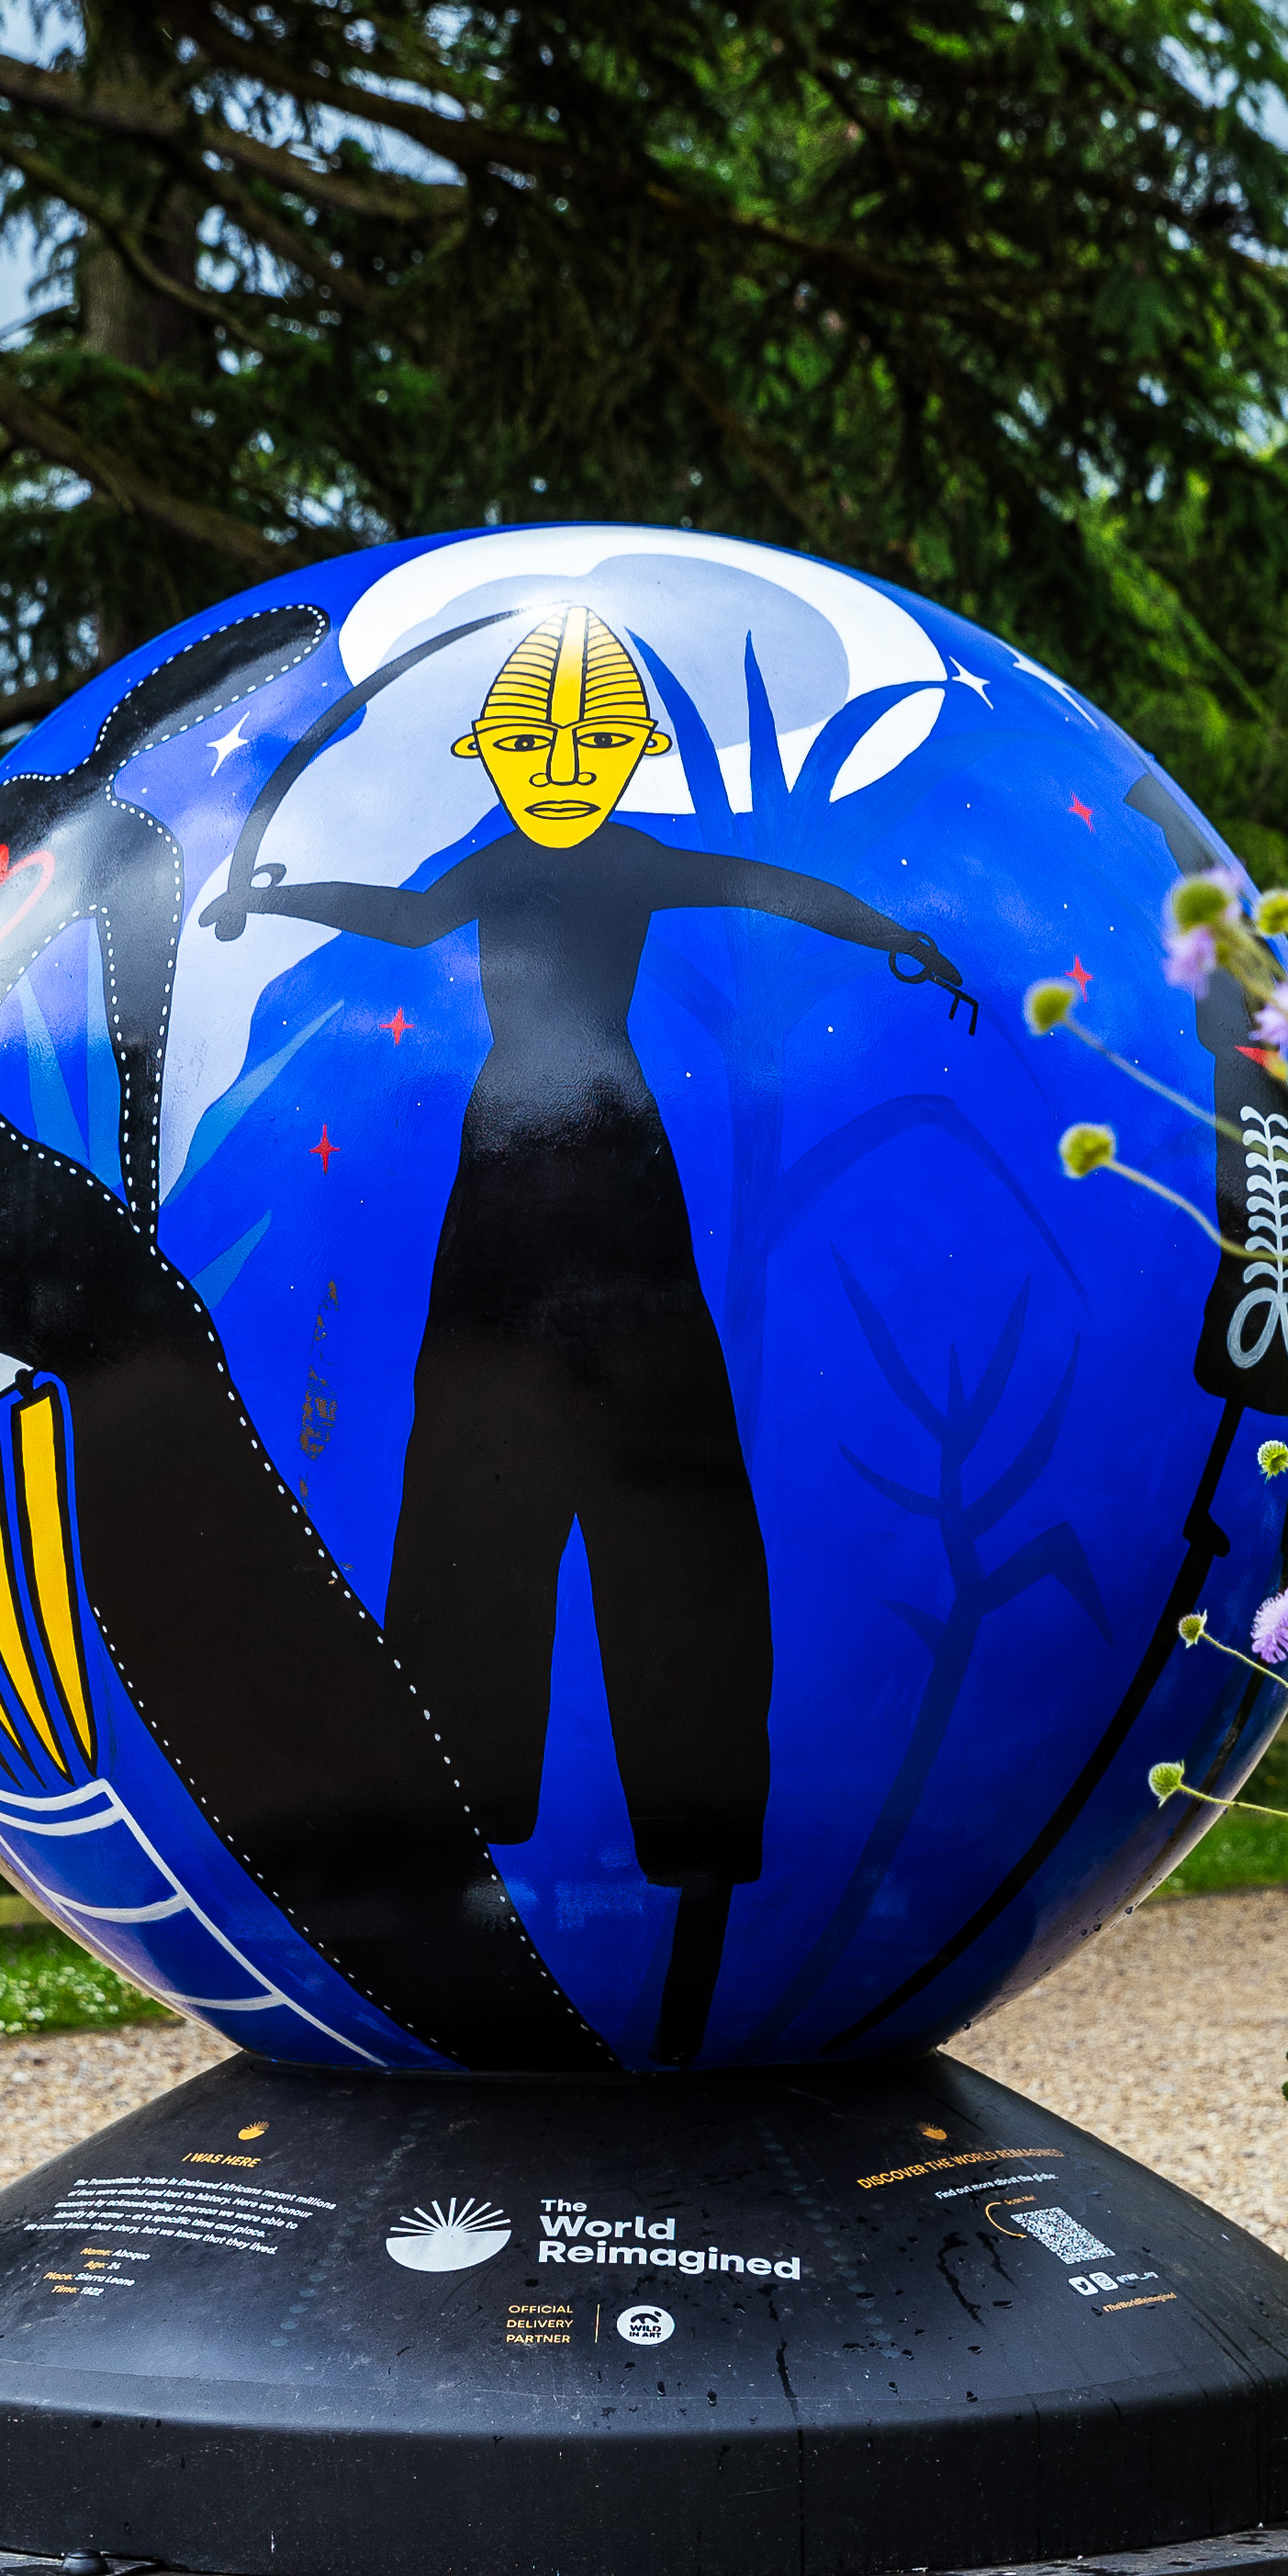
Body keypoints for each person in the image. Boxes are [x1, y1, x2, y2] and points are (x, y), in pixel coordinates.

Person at [211, 602, 973, 2063]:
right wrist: (282, 902)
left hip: (610, 1175)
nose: (562, 761)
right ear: (500, 753)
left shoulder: (625, 858)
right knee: (477, 1478)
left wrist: (901, 941)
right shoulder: (496, 861)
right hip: (510, 1174)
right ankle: (461, 1806)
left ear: (620, 756)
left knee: (663, 1478)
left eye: (589, 740)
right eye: (535, 739)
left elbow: (763, 885)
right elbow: (405, 918)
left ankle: (692, 1824)